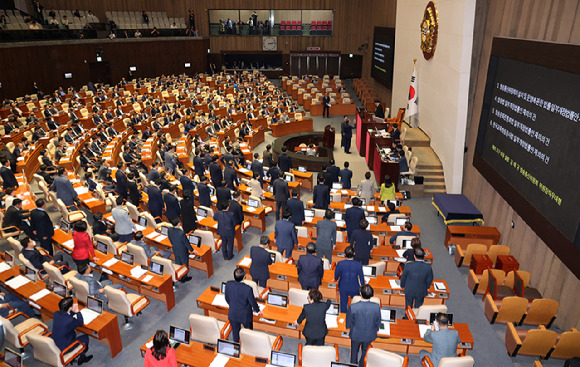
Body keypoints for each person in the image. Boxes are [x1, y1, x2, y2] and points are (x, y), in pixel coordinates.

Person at [346, 284, 381, 367]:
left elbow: (349, 320)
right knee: (365, 352)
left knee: (354, 351)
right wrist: (377, 328)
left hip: (356, 334)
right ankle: (362, 364)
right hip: (370, 334)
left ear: (360, 294)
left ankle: (353, 365)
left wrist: (348, 327)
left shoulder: (353, 306)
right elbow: (378, 320)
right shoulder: (376, 307)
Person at [224, 267, 262, 343]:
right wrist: (258, 310)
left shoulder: (228, 284)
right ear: (244, 277)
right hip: (245, 315)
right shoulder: (248, 289)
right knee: (248, 332)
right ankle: (249, 344)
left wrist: (233, 305)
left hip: (233, 313)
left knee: (235, 332)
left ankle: (236, 346)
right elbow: (252, 302)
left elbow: (227, 298)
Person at [51, 297, 93, 365]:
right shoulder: (69, 320)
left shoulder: (56, 313)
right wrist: (77, 311)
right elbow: (80, 322)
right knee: (85, 337)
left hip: (55, 342)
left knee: (73, 332)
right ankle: (82, 357)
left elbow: (67, 314)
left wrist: (72, 311)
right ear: (69, 308)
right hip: (63, 348)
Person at [334, 246, 365, 313]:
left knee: (343, 304)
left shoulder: (340, 264)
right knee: (355, 304)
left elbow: (336, 276)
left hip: (343, 287)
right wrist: (362, 285)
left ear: (344, 255)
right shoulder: (358, 264)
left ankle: (344, 317)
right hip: (354, 287)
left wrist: (335, 279)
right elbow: (362, 277)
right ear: (354, 253)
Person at [167, 218, 195, 282]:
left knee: (178, 262)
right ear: (178, 224)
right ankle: (184, 278)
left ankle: (179, 275)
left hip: (175, 249)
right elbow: (186, 243)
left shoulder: (169, 230)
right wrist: (192, 250)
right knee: (184, 263)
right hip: (182, 250)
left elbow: (170, 238)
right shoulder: (181, 233)